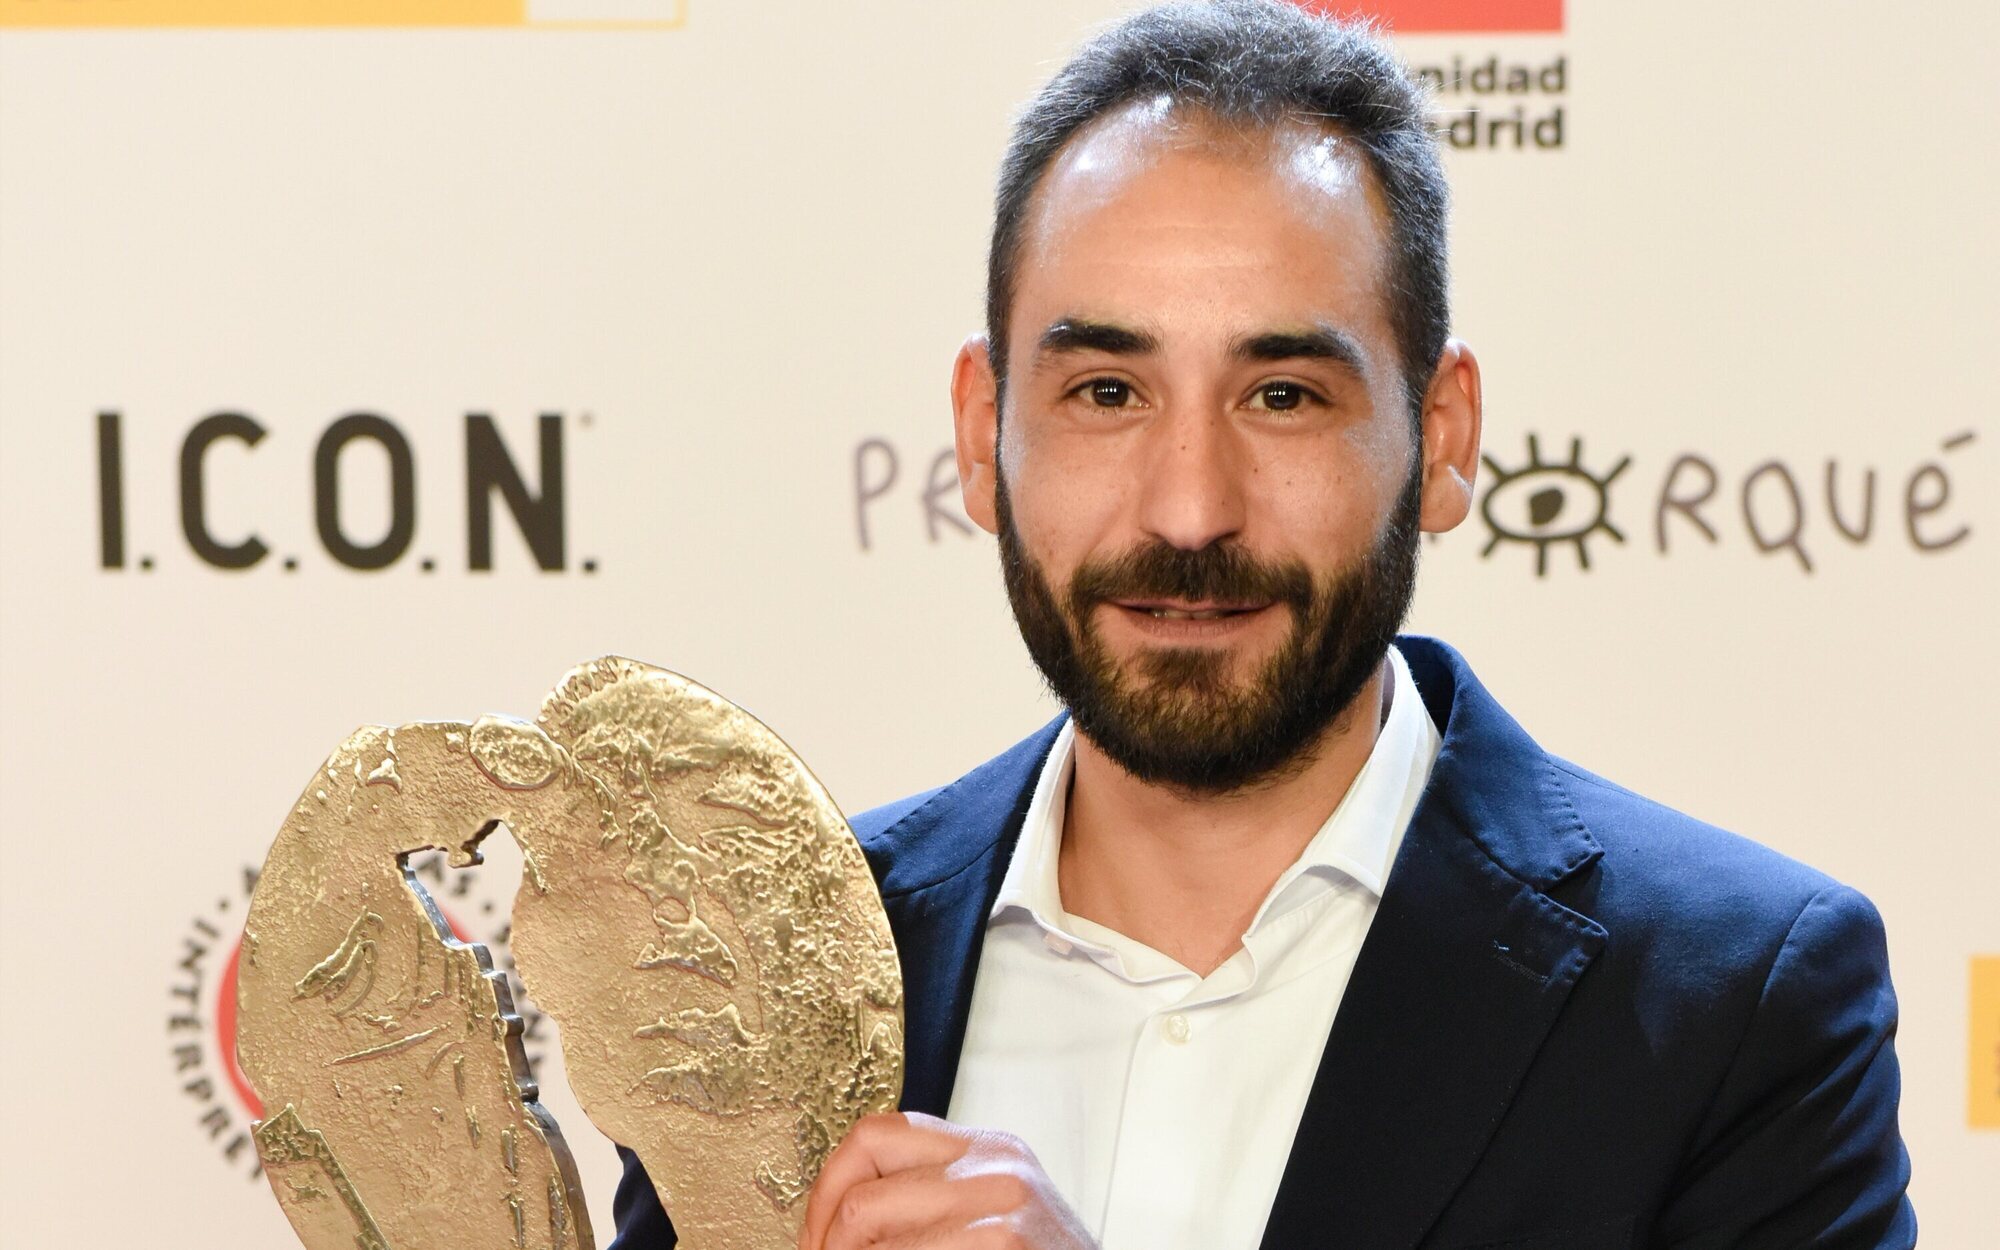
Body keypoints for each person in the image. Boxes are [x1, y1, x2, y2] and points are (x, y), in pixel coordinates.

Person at [609, 2, 1916, 1246]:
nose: (1190, 511)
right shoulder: (769, 979)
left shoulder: (1733, 1003)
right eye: (1107, 391)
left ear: (1441, 439)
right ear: (980, 431)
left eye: (1283, 395)